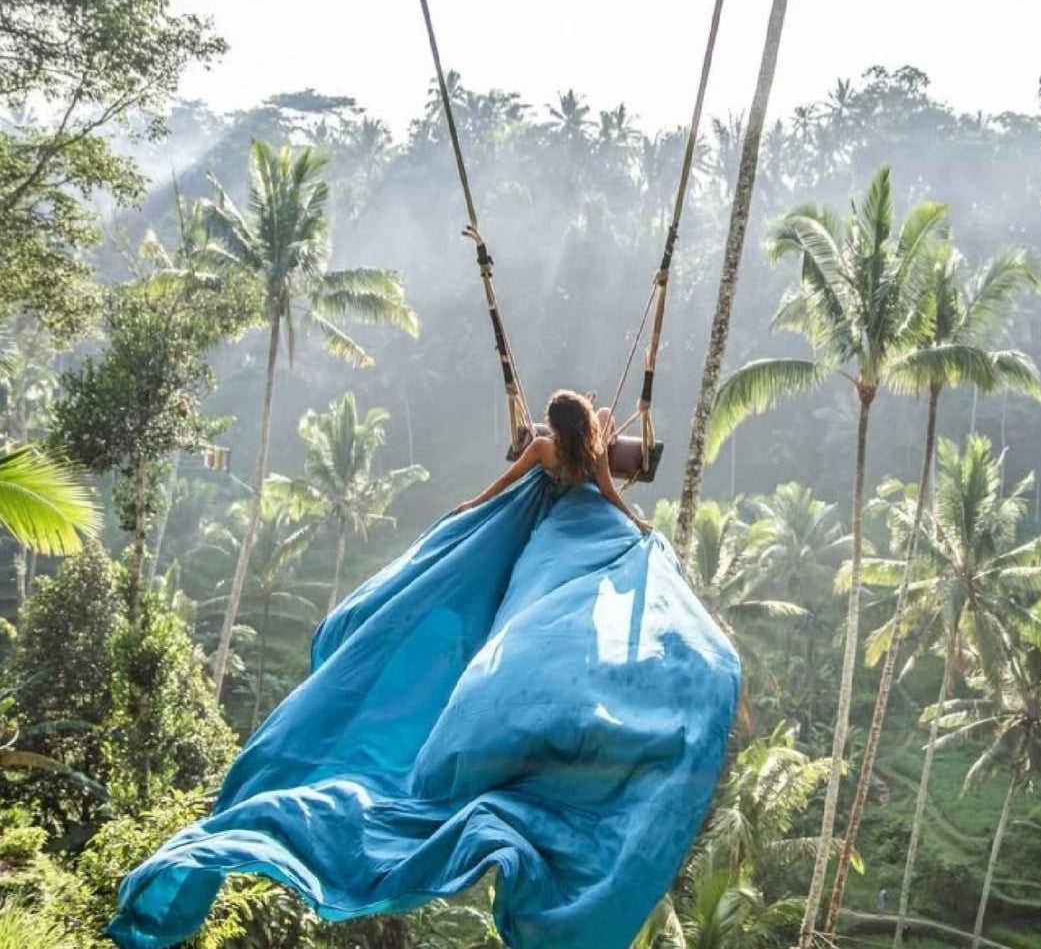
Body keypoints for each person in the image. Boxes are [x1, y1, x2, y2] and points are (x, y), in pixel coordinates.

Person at [107, 387, 737, 949]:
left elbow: (501, 487)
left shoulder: (545, 452)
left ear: (553, 425)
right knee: (550, 620)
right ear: (587, 430)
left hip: (551, 540)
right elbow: (607, 493)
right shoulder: (591, 454)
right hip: (578, 531)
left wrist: (468, 507)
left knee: (529, 616)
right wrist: (638, 525)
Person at [453, 389, 652, 536]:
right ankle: (591, 413)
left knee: (604, 415)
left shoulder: (542, 447)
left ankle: (586, 408)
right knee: (605, 414)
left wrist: (475, 503)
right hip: (586, 466)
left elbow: (508, 478)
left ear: (553, 426)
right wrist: (635, 521)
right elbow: (608, 491)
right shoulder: (596, 449)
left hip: (561, 482)